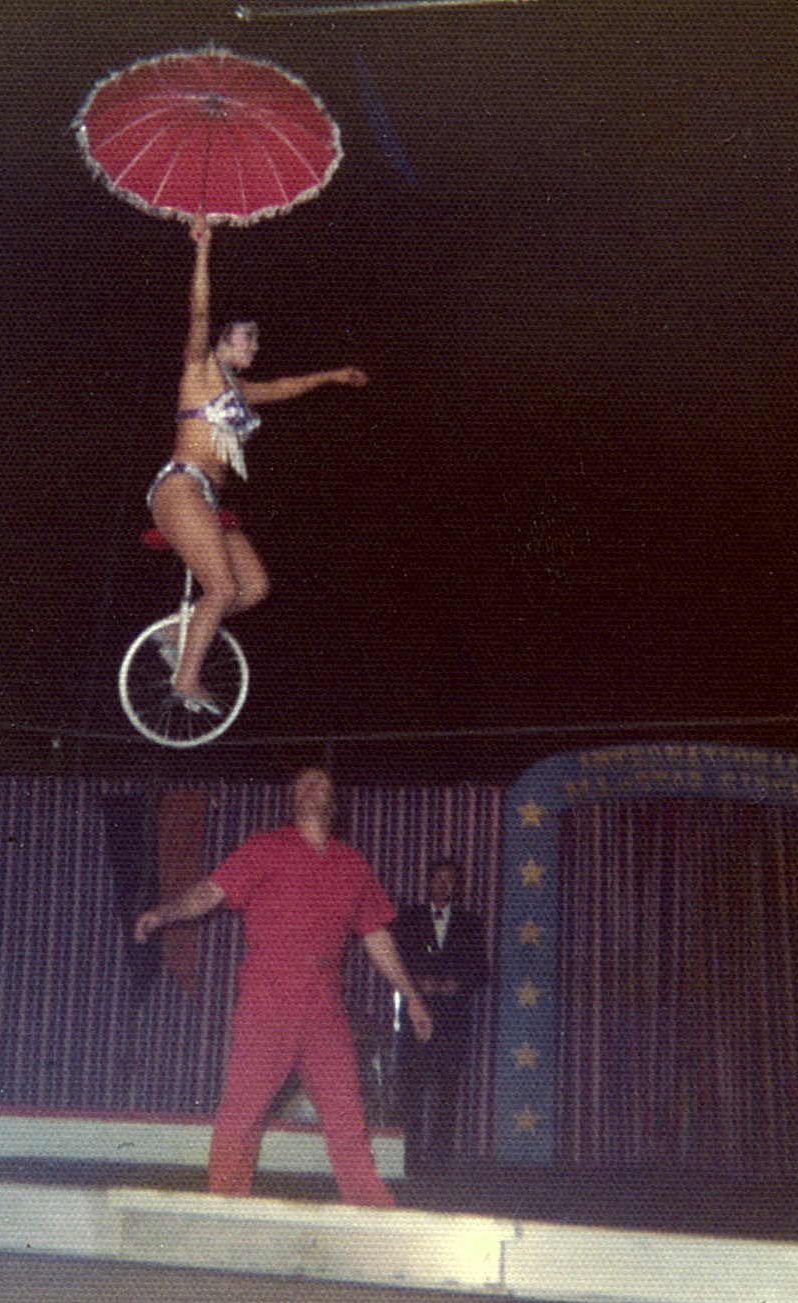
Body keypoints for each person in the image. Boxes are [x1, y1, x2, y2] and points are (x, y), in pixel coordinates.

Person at [134, 767, 432, 1207]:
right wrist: (164, 914)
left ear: (335, 801)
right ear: (292, 799)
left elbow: (376, 937)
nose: (310, 786)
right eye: (301, 783)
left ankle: (374, 1214)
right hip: (268, 991)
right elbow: (210, 892)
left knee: (347, 1113)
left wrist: (412, 997)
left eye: (321, 781)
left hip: (325, 1001)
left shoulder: (353, 864)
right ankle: (224, 1208)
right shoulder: (265, 847)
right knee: (244, 1107)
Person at [145, 217, 370, 715]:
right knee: (222, 588)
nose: (256, 346)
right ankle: (184, 680)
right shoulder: (200, 369)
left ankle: (174, 633)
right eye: (249, 338)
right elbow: (199, 312)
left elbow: (285, 386)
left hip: (207, 497)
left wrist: (332, 375)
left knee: (254, 588)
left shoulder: (241, 390)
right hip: (180, 488)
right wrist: (202, 250)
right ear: (224, 341)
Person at [389, 859, 490, 1170]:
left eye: (451, 880)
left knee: (448, 1091)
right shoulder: (409, 919)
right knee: (412, 1088)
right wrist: (418, 981)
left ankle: (441, 1162)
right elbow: (395, 960)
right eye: (439, 879)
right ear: (428, 882)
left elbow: (482, 971)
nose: (444, 885)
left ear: (457, 887)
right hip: (416, 1019)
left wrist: (456, 983)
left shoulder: (471, 923)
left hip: (453, 1021)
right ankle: (409, 1158)